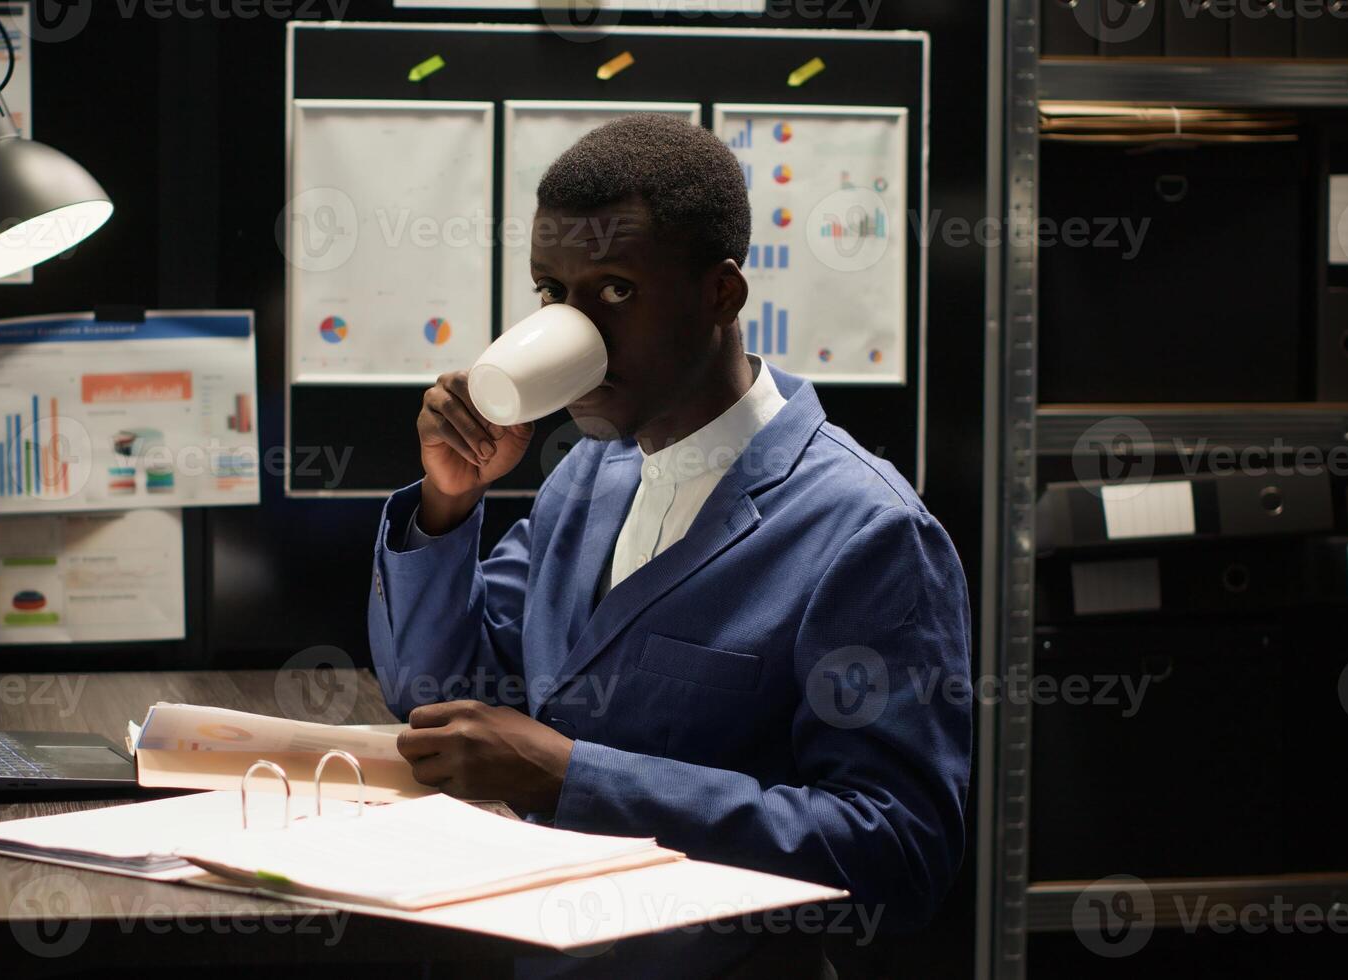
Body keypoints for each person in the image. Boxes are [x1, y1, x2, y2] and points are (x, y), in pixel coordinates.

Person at [367, 114, 971, 976]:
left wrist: (574, 778)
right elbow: (431, 694)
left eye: (614, 291)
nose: (575, 331)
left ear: (720, 295)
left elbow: (899, 853)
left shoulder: (866, 532)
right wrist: (449, 501)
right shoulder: (587, 478)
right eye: (553, 294)